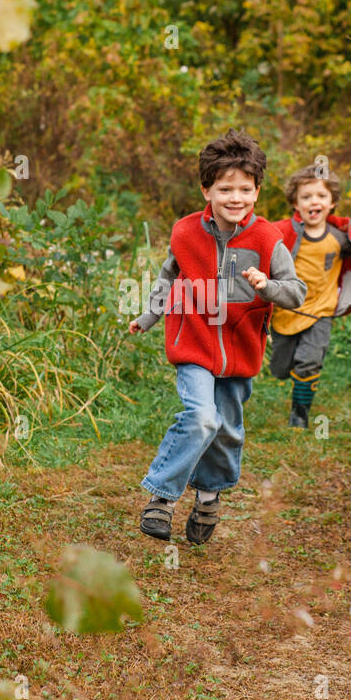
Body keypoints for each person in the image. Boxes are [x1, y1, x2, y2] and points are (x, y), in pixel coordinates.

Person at [128, 130, 306, 544]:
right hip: (193, 345)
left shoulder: (267, 239)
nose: (235, 197)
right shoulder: (185, 233)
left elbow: (296, 293)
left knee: (225, 429)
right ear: (206, 189)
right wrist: (150, 316)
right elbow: (168, 279)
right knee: (201, 417)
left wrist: (266, 286)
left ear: (257, 192)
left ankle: (208, 497)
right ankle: (162, 498)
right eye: (225, 188)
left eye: (245, 189)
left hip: (241, 353)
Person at [269, 164, 351, 427]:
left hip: (321, 310)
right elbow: (257, 246)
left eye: (321, 196)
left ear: (333, 203)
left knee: (309, 362)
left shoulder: (341, 238)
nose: (313, 202)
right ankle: (291, 379)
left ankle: (300, 414)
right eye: (306, 197)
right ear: (295, 203)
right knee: (281, 368)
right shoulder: (281, 233)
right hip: (287, 309)